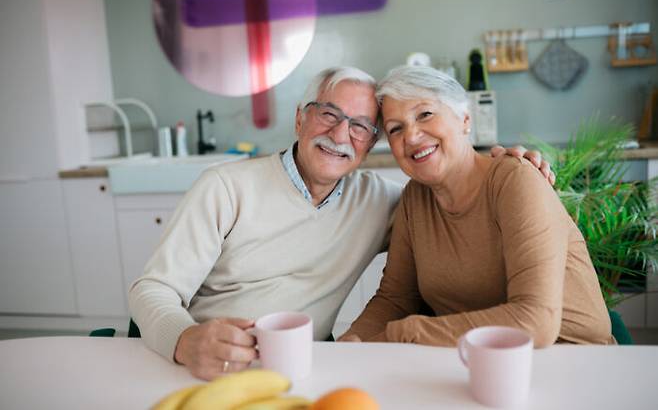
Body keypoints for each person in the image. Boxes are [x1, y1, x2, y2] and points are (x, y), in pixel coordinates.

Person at [129, 66, 553, 380]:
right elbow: (153, 289)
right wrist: (184, 341)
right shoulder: (225, 187)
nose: (339, 134)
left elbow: (452, 197)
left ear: (371, 145)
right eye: (328, 114)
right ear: (300, 119)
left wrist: (496, 167)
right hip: (206, 366)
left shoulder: (386, 202)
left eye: (361, 127)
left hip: (302, 371)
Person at [339, 65, 613, 347]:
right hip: (474, 358)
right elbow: (395, 299)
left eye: (425, 114)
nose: (411, 136)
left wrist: (405, 333)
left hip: (571, 358)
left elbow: (536, 322)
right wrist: (353, 340)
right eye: (396, 129)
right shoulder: (415, 199)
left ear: (465, 119)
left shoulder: (515, 180)